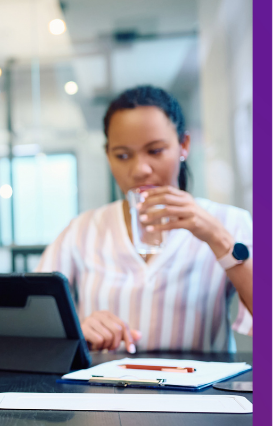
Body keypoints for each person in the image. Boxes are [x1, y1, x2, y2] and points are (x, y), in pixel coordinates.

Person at [36, 86, 252, 353]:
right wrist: (77, 331)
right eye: (123, 155)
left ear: (183, 145)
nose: (140, 170)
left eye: (156, 150)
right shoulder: (82, 230)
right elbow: (34, 321)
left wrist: (218, 239)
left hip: (197, 381)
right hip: (103, 379)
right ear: (108, 155)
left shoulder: (229, 222)